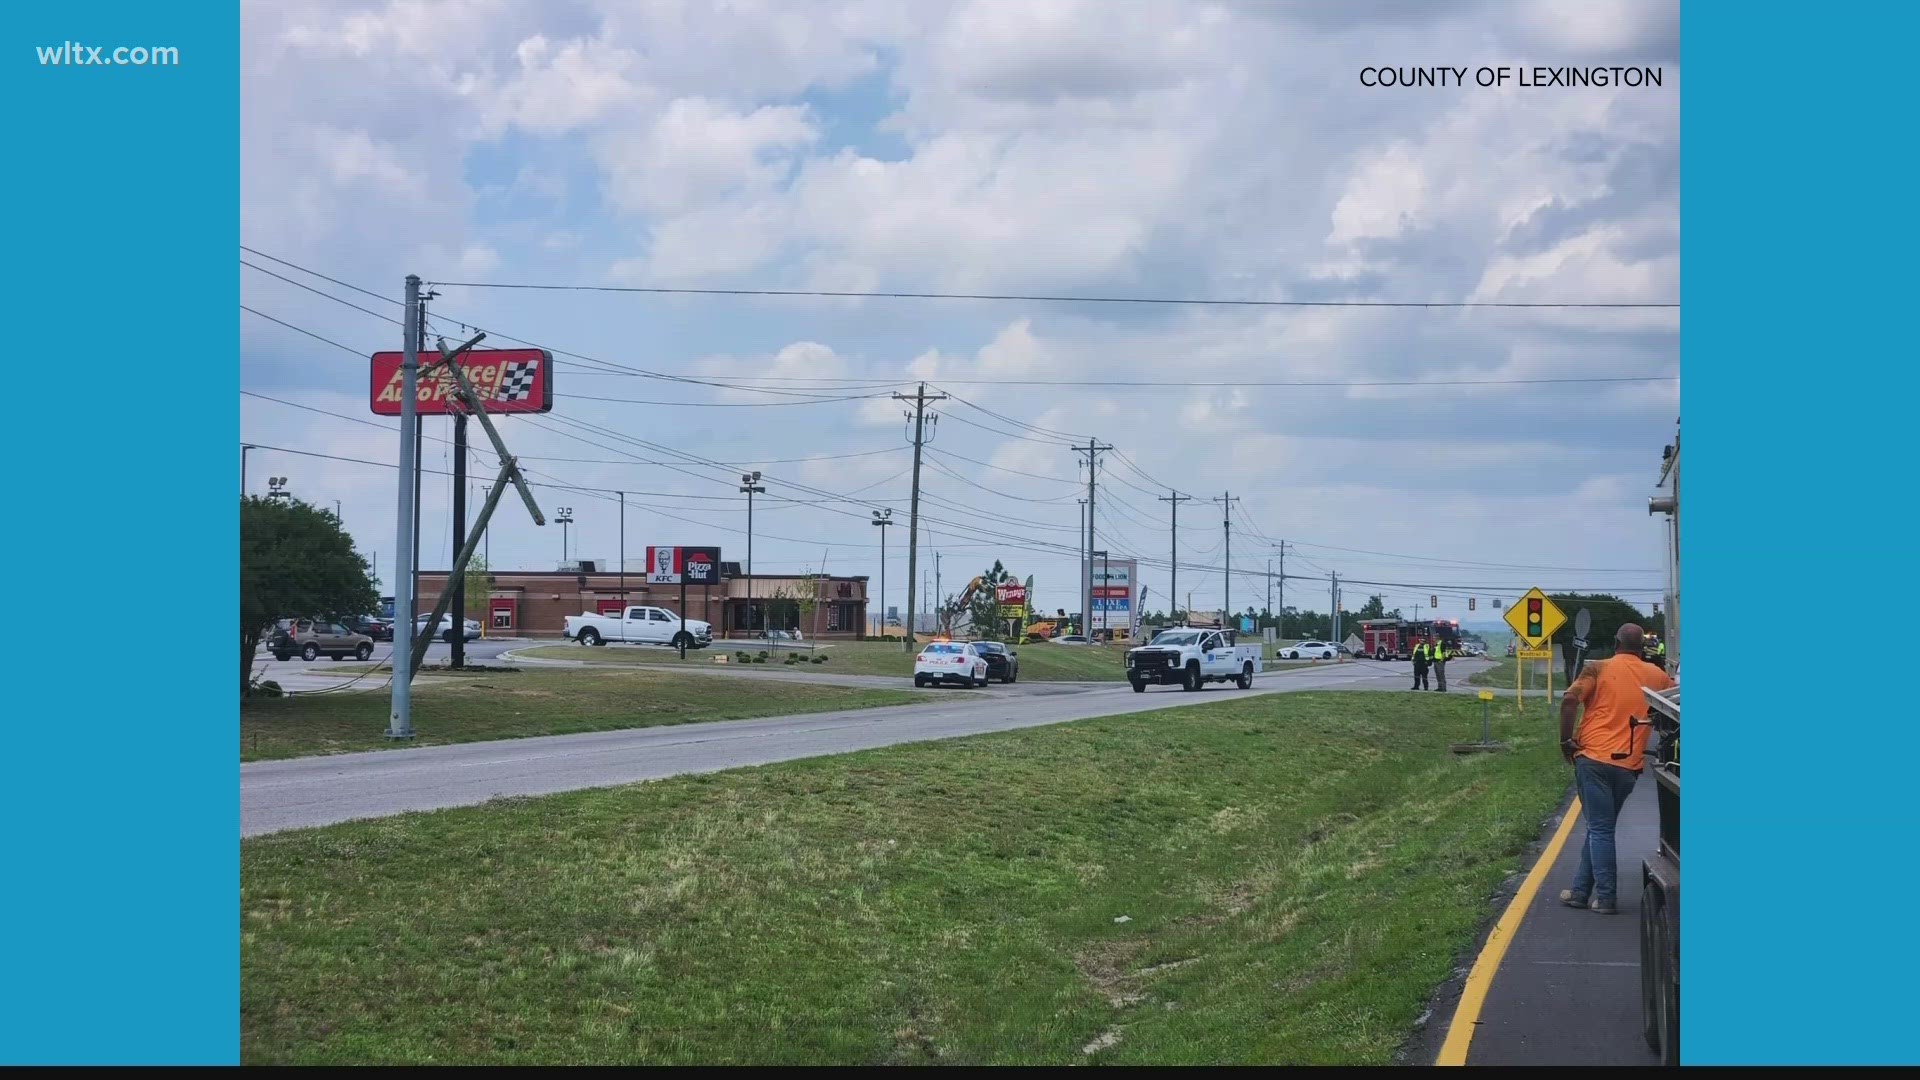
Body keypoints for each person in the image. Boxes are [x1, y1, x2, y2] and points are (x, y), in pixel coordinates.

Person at [1558, 623, 1675, 915]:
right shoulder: (1657, 676)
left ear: (1615, 642)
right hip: (1628, 765)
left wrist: (1565, 740)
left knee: (1599, 828)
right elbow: (1671, 709)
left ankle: (1607, 897)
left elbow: (1570, 698)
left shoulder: (1597, 669)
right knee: (1601, 826)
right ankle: (1580, 891)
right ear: (1642, 648)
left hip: (1593, 759)